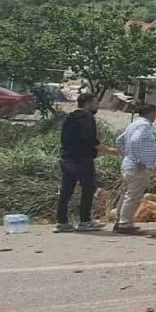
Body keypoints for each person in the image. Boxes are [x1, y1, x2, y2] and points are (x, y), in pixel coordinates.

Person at [55, 93, 118, 232]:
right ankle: (84, 221)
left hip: (66, 158)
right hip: (82, 160)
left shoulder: (69, 117)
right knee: (88, 190)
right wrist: (110, 150)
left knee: (66, 191)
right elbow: (91, 140)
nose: (97, 106)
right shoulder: (87, 117)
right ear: (87, 104)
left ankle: (62, 222)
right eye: (95, 103)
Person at [113, 104, 156, 234]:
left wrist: (126, 155)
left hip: (128, 165)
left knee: (126, 194)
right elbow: (135, 140)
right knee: (133, 196)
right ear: (151, 113)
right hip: (137, 167)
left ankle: (120, 221)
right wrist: (138, 160)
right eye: (154, 113)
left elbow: (119, 140)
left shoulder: (133, 124)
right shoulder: (144, 126)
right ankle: (125, 224)